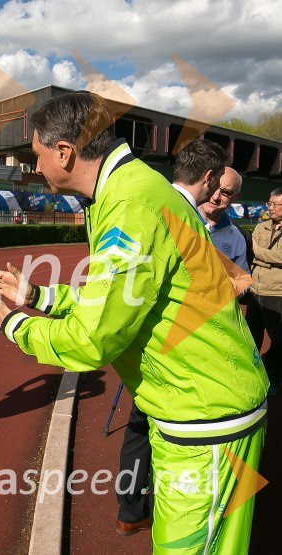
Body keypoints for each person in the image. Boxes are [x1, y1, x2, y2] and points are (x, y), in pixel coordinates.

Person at [0, 91, 267, 553]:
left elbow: (92, 341)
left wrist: (10, 322)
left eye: (37, 155)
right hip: (191, 403)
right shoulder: (126, 189)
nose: (35, 167)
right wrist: (38, 295)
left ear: (64, 152)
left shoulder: (129, 204)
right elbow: (117, 302)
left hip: (206, 411)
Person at [113, 138, 232, 537]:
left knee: (139, 431)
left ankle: (131, 513)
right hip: (179, 356)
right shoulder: (175, 210)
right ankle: (167, 517)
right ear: (209, 177)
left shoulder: (154, 199)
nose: (221, 197)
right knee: (162, 436)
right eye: (221, 188)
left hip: (154, 350)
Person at [246, 188, 282, 396]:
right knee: (251, 337)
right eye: (269, 203)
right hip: (255, 291)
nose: (270, 207)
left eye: (275, 204)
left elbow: (267, 254)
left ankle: (273, 376)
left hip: (276, 293)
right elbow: (254, 254)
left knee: (278, 341)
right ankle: (251, 375)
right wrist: (265, 256)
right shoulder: (261, 227)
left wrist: (260, 253)